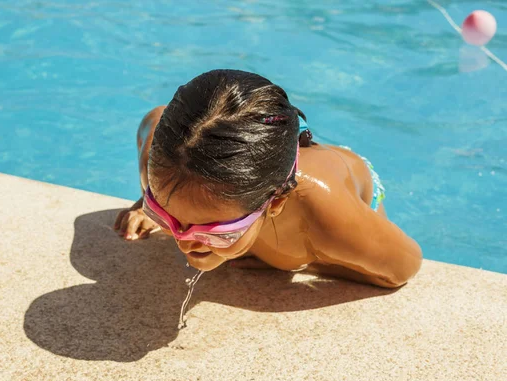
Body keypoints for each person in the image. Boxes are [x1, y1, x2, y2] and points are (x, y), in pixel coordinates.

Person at [114, 69, 422, 288]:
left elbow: (403, 267)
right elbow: (156, 117)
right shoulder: (163, 159)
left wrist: (307, 261)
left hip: (350, 186)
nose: (185, 245)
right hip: (256, 168)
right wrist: (146, 204)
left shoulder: (323, 213)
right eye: (163, 212)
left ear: (275, 204)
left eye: (220, 233)